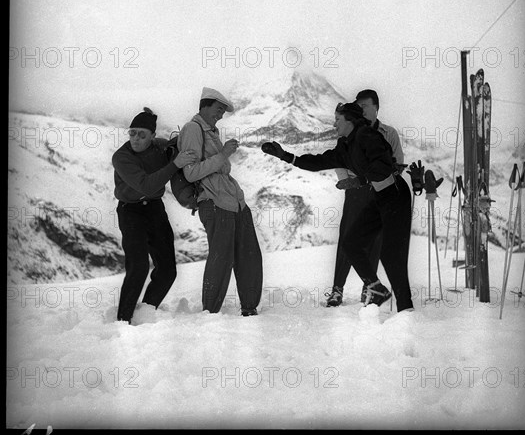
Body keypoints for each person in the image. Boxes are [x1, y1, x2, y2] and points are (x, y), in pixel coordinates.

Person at [262, 102, 414, 312]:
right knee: (351, 243)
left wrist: (360, 179)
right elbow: (319, 161)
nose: (334, 124)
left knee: (390, 255)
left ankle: (406, 308)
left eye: (337, 120)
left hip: (395, 195)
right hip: (379, 197)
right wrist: (287, 156)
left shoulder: (367, 136)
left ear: (350, 120)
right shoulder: (345, 145)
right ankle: (375, 288)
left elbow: (384, 163)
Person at [178, 87, 263, 316]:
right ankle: (210, 312)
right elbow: (191, 173)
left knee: (249, 255)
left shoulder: (210, 131)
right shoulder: (192, 129)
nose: (221, 115)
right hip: (214, 202)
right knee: (221, 258)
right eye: (218, 109)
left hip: (234, 201)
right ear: (204, 106)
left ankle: (249, 307)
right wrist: (224, 154)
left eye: (223, 111)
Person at [112, 107, 198, 324]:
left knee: (168, 270)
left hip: (154, 209)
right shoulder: (121, 157)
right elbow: (146, 185)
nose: (136, 139)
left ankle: (146, 312)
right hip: (130, 210)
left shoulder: (159, 147)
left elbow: (179, 144)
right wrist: (174, 164)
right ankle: (124, 320)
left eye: (142, 134)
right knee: (138, 267)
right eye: (132, 133)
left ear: (152, 136)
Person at [327, 89, 405, 307]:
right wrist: (348, 182)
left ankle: (368, 288)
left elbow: (397, 161)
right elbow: (339, 159)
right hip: (356, 191)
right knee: (347, 238)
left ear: (376, 107)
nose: (360, 110)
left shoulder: (389, 133)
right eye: (358, 106)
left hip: (381, 190)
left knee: (375, 241)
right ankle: (337, 289)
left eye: (364, 106)